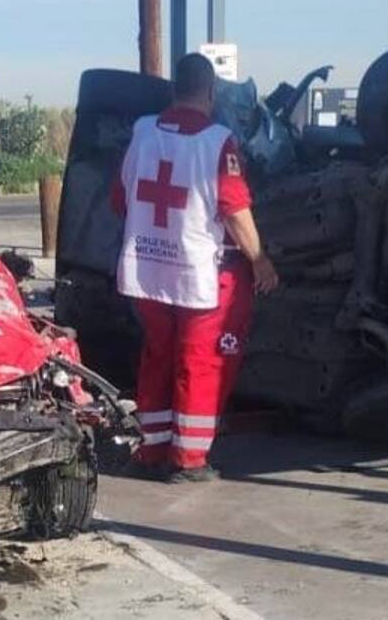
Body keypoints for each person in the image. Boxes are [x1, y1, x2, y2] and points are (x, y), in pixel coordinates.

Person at [111, 53, 278, 483]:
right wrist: (260, 260)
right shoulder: (217, 142)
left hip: (147, 271)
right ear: (210, 93)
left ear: (174, 89)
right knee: (201, 363)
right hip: (200, 274)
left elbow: (121, 199)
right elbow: (234, 209)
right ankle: (189, 460)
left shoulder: (142, 133)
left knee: (157, 357)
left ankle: (152, 451)